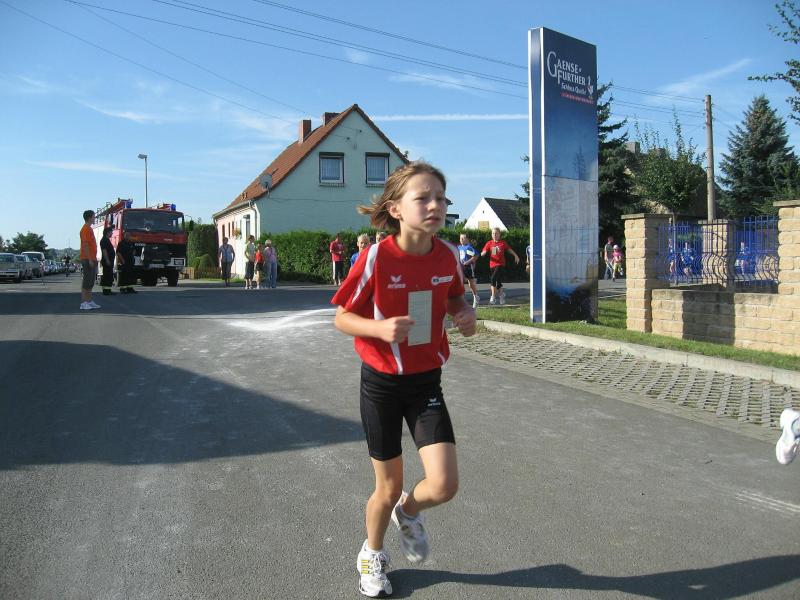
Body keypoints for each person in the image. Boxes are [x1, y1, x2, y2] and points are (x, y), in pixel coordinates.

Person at [332, 162, 477, 598]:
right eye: (423, 198)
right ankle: (372, 554)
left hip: (426, 382)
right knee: (388, 485)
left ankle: (409, 511)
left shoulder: (448, 255)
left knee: (444, 485)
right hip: (381, 384)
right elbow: (342, 317)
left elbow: (454, 296)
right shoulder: (376, 258)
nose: (435, 206)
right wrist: (378, 329)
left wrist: (463, 313)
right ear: (395, 209)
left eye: (441, 198)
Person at [481, 227, 519, 305]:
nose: (494, 235)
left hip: (500, 264)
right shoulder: (489, 243)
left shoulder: (502, 243)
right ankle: (501, 295)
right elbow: (483, 251)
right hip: (492, 265)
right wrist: (483, 253)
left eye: (496, 233)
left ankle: (493, 297)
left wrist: (515, 255)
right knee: (498, 281)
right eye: (493, 233)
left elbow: (509, 249)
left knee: (493, 278)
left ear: (499, 234)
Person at [79, 209, 100, 310]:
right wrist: (90, 259)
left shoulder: (90, 229)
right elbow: (85, 245)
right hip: (87, 259)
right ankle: (84, 303)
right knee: (86, 281)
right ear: (89, 218)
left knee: (91, 282)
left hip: (92, 258)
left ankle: (89, 301)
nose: (94, 218)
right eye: (93, 216)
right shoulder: (85, 229)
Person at [457, 233, 480, 308]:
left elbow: (476, 256)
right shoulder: (458, 247)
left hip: (468, 267)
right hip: (460, 268)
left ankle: (475, 297)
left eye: (463, 238)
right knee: (460, 283)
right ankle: (461, 300)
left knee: (471, 283)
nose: (461, 240)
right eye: (460, 238)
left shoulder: (468, 248)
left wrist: (468, 262)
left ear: (467, 239)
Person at [99, 226, 116, 296]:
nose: (112, 233)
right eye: (111, 232)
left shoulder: (107, 240)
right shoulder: (104, 240)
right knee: (107, 275)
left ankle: (108, 290)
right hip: (107, 261)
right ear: (107, 233)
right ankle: (106, 291)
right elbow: (104, 251)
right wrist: (107, 260)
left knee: (109, 275)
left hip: (109, 261)